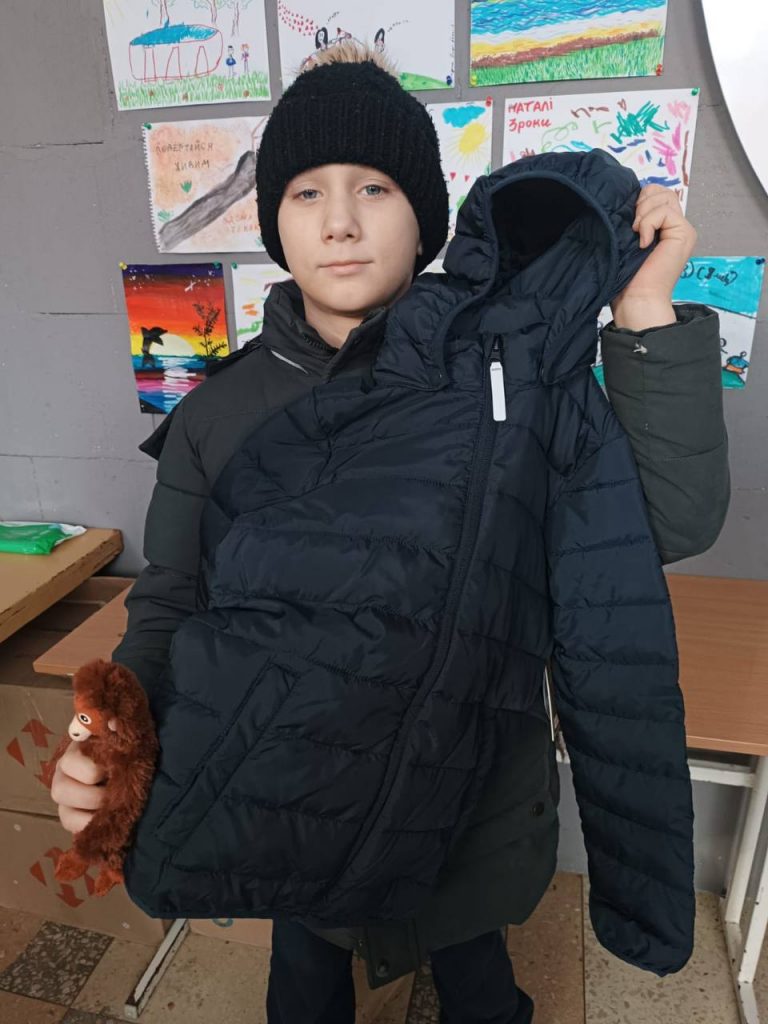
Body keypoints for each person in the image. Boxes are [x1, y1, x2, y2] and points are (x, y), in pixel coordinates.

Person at [51, 42, 729, 1024]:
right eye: (306, 193)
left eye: (374, 187)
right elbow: (171, 599)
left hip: (470, 813)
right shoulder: (220, 413)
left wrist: (642, 309)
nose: (339, 221)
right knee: (305, 989)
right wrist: (113, 742)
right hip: (284, 797)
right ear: (276, 222)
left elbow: (670, 521)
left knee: (479, 988)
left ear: (425, 220)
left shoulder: (508, 386)